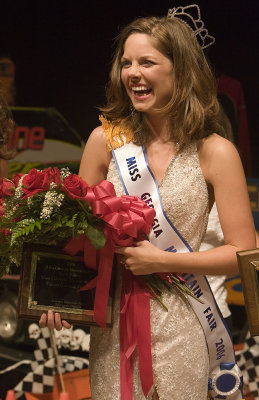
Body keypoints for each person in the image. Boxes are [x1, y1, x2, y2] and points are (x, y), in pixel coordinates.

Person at [39, 5, 256, 400]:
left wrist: (166, 261)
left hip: (187, 323)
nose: (132, 73)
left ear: (181, 70)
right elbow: (73, 236)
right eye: (126, 63)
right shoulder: (104, 141)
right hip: (114, 326)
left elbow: (245, 251)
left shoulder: (215, 152)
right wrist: (55, 297)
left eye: (147, 62)